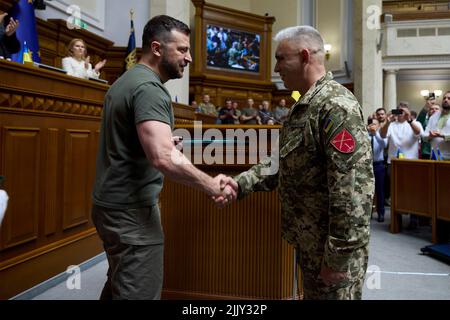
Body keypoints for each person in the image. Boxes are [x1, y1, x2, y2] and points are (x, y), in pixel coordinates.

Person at [217, 25, 374, 299]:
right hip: (310, 242)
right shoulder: (303, 106)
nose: (276, 68)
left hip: (331, 249)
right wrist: (239, 184)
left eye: (280, 58)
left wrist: (338, 256)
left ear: (304, 56)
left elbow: (352, 190)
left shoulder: (335, 105)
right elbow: (279, 163)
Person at [91, 15, 237, 300]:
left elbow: (134, 140)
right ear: (157, 48)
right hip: (131, 214)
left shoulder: (128, 80)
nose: (189, 58)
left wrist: (162, 143)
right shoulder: (149, 89)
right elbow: (163, 158)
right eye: (182, 50)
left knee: (120, 283)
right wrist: (211, 186)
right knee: (138, 291)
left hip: (110, 205)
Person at [367, 118, 387, 222]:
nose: (373, 126)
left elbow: (384, 145)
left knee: (380, 190)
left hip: (378, 165)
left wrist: (376, 134)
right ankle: (367, 213)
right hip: (367, 165)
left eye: (375, 124)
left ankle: (381, 213)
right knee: (367, 190)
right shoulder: (365, 135)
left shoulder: (382, 135)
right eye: (371, 124)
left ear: (378, 125)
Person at [422, 91, 450, 160]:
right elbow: (424, 137)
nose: (446, 100)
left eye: (449, 98)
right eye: (444, 98)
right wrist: (430, 136)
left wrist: (442, 136)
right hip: (434, 157)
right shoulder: (433, 117)